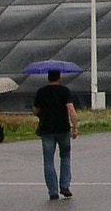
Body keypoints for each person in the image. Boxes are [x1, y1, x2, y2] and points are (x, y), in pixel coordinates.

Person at [32, 68, 78, 200]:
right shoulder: (65, 91)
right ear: (59, 78)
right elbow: (70, 108)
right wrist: (75, 126)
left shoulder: (41, 91)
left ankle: (53, 191)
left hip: (46, 129)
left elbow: (35, 110)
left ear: (48, 78)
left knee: (48, 160)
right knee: (65, 157)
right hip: (63, 128)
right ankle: (64, 186)